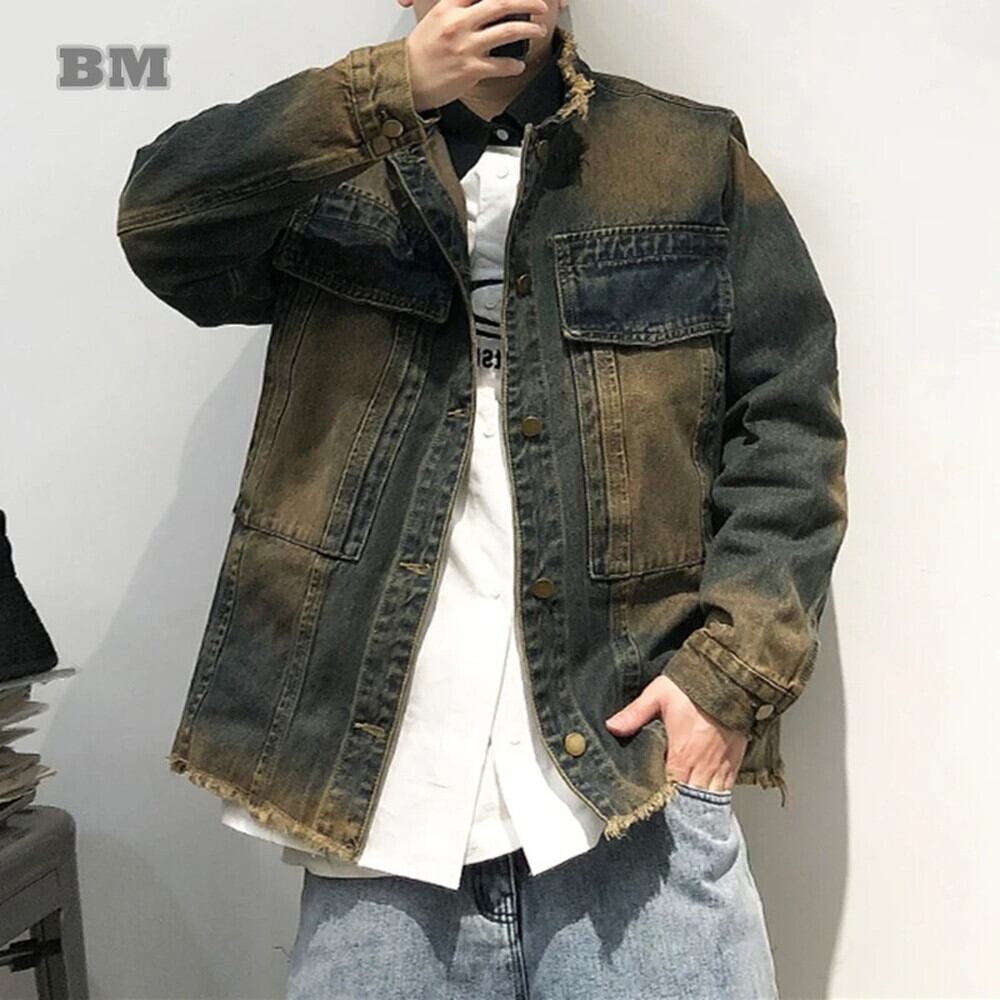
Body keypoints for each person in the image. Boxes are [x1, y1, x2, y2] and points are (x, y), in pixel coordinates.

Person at [115, 1, 848, 996]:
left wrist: (726, 681)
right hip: (379, 808)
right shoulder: (326, 167)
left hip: (628, 787)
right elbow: (160, 223)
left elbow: (791, 426)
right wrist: (388, 91)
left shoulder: (687, 158)